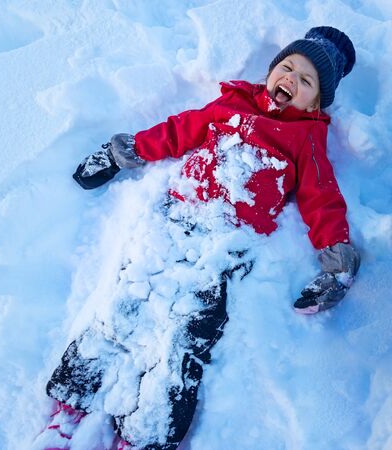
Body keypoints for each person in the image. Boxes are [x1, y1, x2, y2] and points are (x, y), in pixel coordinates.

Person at [37, 26, 360, 450]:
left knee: (184, 336)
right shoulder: (231, 104)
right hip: (173, 222)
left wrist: (335, 264)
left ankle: (145, 435)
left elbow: (323, 200)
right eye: (288, 67)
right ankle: (69, 409)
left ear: (316, 102)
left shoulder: (307, 139)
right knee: (124, 307)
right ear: (271, 70)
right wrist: (122, 153)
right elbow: (177, 131)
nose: (291, 81)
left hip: (223, 250)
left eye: (306, 82)